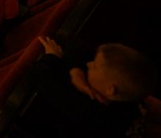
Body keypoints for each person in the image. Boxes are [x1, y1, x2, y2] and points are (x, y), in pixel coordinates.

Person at [23, 39, 156, 137]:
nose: (89, 64)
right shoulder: (132, 102)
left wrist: (52, 57)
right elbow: (76, 46)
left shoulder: (96, 117)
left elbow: (38, 76)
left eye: (95, 66)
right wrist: (76, 72)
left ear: (110, 89)